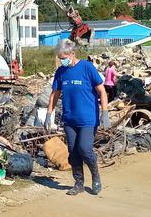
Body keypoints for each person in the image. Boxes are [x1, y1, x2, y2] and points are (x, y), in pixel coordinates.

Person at [46, 39, 110, 196]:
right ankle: (79, 183)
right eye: (60, 58)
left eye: (63, 57)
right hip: (70, 119)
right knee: (73, 153)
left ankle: (95, 177)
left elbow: (102, 91)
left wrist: (105, 113)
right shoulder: (61, 72)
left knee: (85, 149)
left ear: (72, 53)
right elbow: (55, 94)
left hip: (88, 119)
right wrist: (49, 114)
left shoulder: (87, 68)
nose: (62, 61)